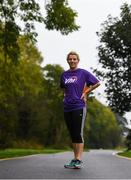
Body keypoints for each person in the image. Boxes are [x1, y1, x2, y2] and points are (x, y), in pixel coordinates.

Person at [60, 51, 100, 169]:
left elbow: (96, 83)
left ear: (78, 60)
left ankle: (78, 159)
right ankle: (75, 159)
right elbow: (64, 88)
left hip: (79, 106)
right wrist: (64, 97)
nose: (72, 61)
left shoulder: (82, 73)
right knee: (72, 134)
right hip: (67, 107)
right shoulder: (64, 75)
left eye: (74, 59)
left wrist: (85, 92)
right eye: (70, 59)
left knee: (78, 133)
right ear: (67, 60)